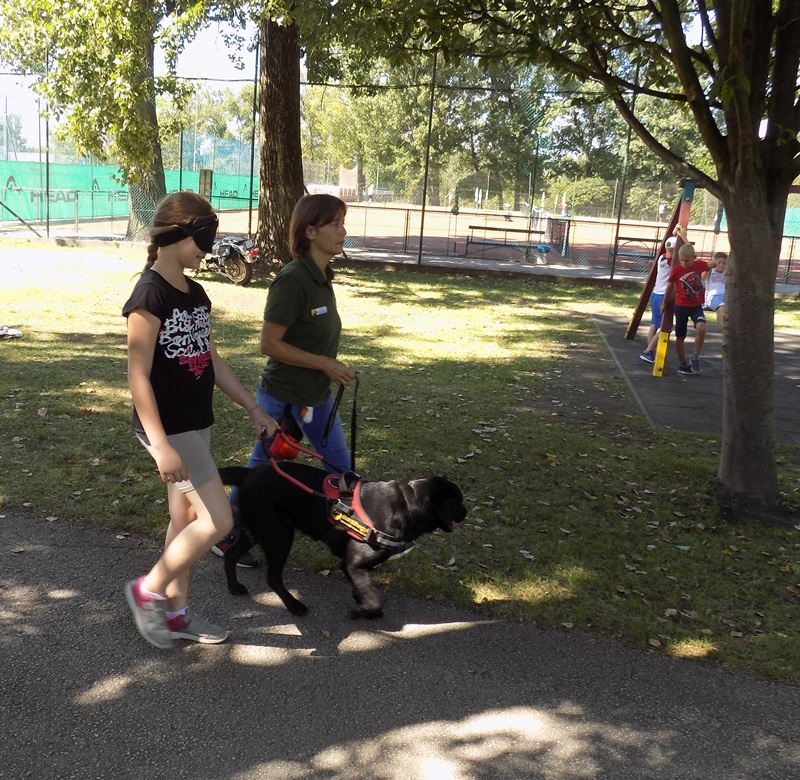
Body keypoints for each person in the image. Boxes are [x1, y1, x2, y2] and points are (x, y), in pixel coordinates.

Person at [123, 191, 278, 649]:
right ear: (175, 234)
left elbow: (212, 362)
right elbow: (137, 376)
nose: (207, 249)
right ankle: (148, 590)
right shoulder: (148, 294)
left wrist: (252, 407)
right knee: (218, 520)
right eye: (202, 238)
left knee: (184, 520)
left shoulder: (197, 293)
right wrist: (162, 445)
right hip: (168, 427)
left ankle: (176, 615)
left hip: (195, 420)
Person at [214, 194, 356, 556]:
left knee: (341, 468)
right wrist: (325, 363)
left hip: (316, 396)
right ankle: (227, 534)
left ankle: (349, 543)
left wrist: (327, 367)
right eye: (335, 224)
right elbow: (269, 344)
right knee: (261, 468)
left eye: (343, 222)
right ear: (310, 231)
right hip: (281, 396)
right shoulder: (292, 279)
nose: (343, 230)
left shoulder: (323, 276)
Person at [662, 243, 710, 375]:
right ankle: (683, 364)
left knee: (702, 328)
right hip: (681, 307)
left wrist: (720, 260)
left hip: (696, 306)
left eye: (687, 260)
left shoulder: (699, 265)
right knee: (680, 337)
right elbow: (669, 287)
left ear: (694, 257)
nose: (683, 263)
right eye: (681, 260)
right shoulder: (677, 270)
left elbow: (712, 264)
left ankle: (695, 356)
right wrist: (665, 303)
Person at [639, 235, 677, 363]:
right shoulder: (671, 263)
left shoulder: (662, 258)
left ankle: (651, 351)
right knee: (666, 327)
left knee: (654, 324)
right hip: (662, 296)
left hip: (655, 294)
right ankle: (648, 351)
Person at [704, 251, 728, 329]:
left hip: (726, 296)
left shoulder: (728, 273)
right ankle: (724, 330)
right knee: (721, 308)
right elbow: (702, 277)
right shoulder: (710, 272)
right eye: (719, 263)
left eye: (724, 263)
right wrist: (709, 266)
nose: (721, 265)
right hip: (713, 296)